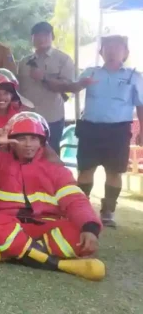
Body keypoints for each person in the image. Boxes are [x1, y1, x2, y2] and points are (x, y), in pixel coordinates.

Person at [0, 112, 105, 281]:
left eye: (34, 139)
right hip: (8, 223)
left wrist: (89, 228)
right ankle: (56, 264)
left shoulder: (57, 170)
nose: (28, 144)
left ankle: (12, 253)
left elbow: (76, 200)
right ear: (11, 140)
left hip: (46, 225)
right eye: (22, 138)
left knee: (79, 234)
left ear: (42, 142)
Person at [63, 34, 143, 228]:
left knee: (114, 172)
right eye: (107, 47)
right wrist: (81, 84)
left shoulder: (135, 76)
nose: (112, 51)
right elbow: (71, 90)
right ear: (101, 52)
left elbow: (141, 105)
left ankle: (108, 211)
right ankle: (81, 209)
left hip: (118, 130)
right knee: (85, 170)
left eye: (117, 47)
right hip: (90, 127)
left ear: (125, 52)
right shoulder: (90, 73)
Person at [17, 22, 76, 152]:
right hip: (27, 117)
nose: (41, 39)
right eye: (37, 35)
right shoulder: (23, 62)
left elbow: (68, 87)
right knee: (25, 155)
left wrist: (44, 78)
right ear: (32, 39)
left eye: (45, 35)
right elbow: (18, 89)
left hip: (51, 118)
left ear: (52, 37)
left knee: (50, 156)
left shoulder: (63, 59)